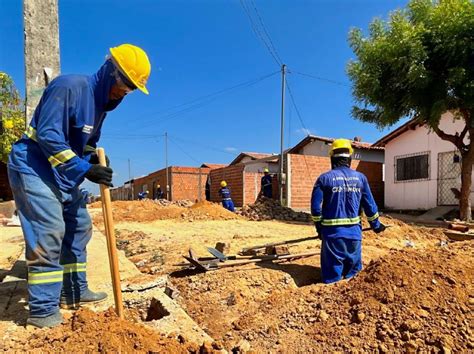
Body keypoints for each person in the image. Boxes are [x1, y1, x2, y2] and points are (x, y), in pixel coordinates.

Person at [7, 44, 151, 328]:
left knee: (80, 226)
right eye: (124, 83)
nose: (124, 92)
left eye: (131, 88)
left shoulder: (99, 108)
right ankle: (43, 310)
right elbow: (48, 137)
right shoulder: (70, 87)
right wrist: (86, 169)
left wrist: (93, 157)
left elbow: (85, 143)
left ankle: (73, 290)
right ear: (111, 71)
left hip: (62, 173)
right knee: (49, 230)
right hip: (34, 165)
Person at [311, 138, 386, 284]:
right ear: (349, 158)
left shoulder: (324, 178)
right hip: (354, 237)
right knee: (354, 282)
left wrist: (320, 228)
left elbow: (315, 209)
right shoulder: (361, 178)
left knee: (332, 281)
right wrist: (376, 226)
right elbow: (370, 206)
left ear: (332, 157)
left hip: (332, 237)